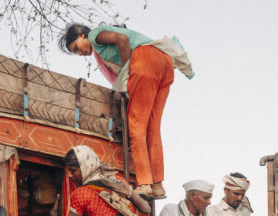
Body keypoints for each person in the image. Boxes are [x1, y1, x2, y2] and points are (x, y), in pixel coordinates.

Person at [60, 23, 194, 198]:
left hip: (144, 61)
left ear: (81, 35)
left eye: (76, 47)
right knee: (152, 129)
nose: (79, 53)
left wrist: (128, 74)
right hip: (164, 63)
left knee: (136, 128)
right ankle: (158, 185)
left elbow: (121, 40)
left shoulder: (94, 35)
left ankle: (145, 183)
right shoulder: (99, 43)